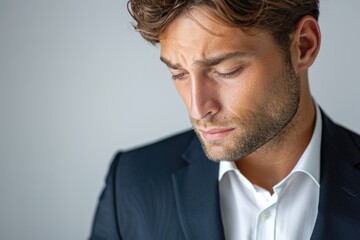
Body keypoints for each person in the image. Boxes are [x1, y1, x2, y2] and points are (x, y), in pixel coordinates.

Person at [89, 1, 360, 239]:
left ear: (304, 46)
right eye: (179, 74)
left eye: (226, 70)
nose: (198, 109)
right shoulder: (130, 185)